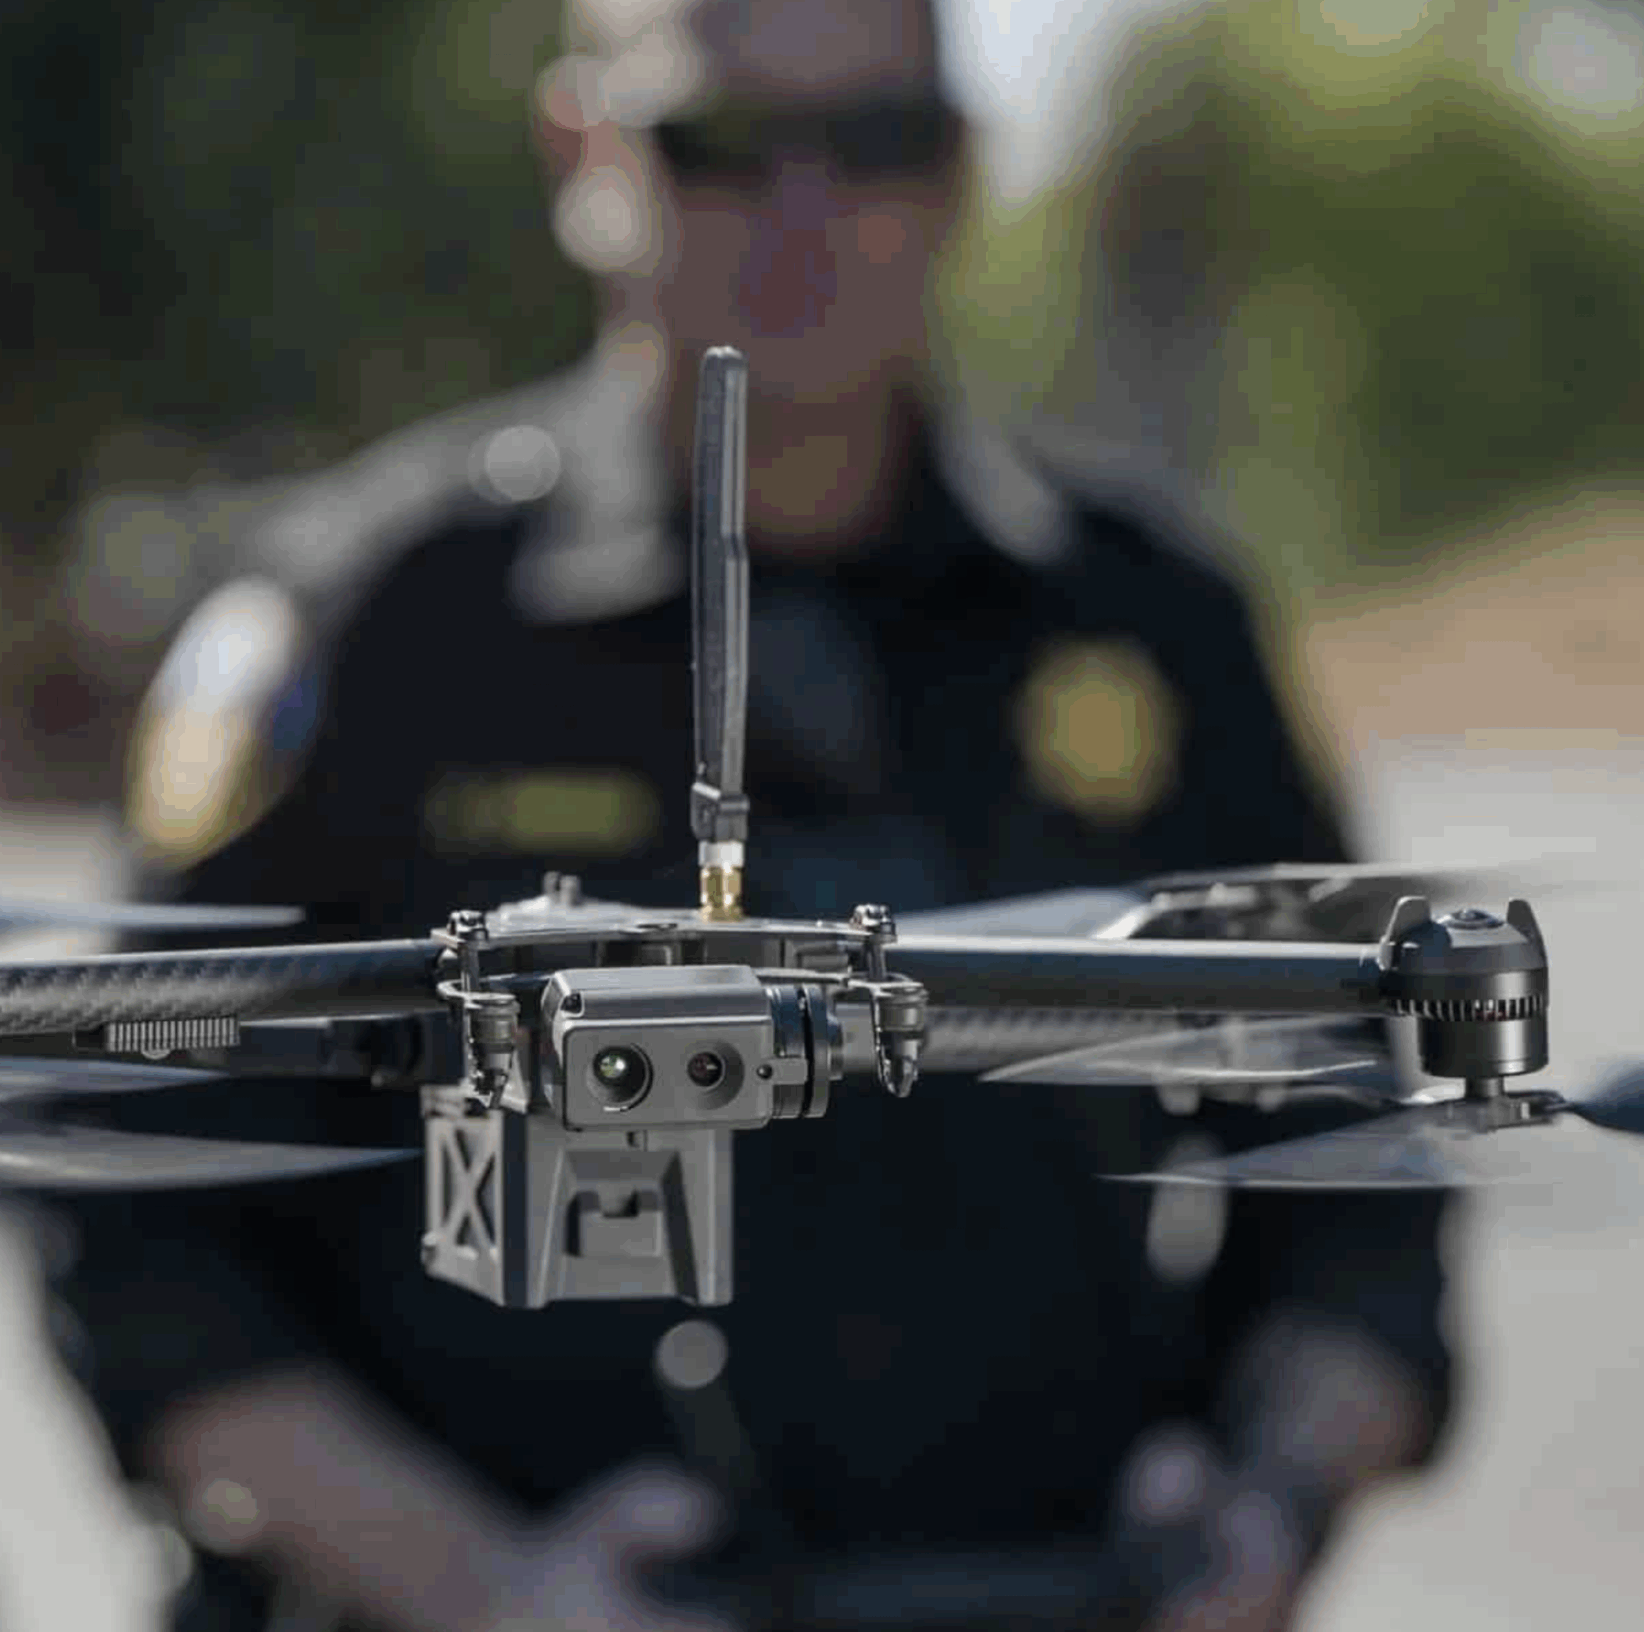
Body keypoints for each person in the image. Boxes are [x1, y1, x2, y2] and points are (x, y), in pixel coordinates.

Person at [114, 2, 1451, 1628]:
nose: (807, 214)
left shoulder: (1152, 624)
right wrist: (481, 1585)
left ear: (960, 174)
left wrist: (1271, 1497)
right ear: (583, 150)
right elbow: (134, 1220)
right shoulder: (375, 626)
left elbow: (1360, 1170)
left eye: (879, 143)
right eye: (725, 144)